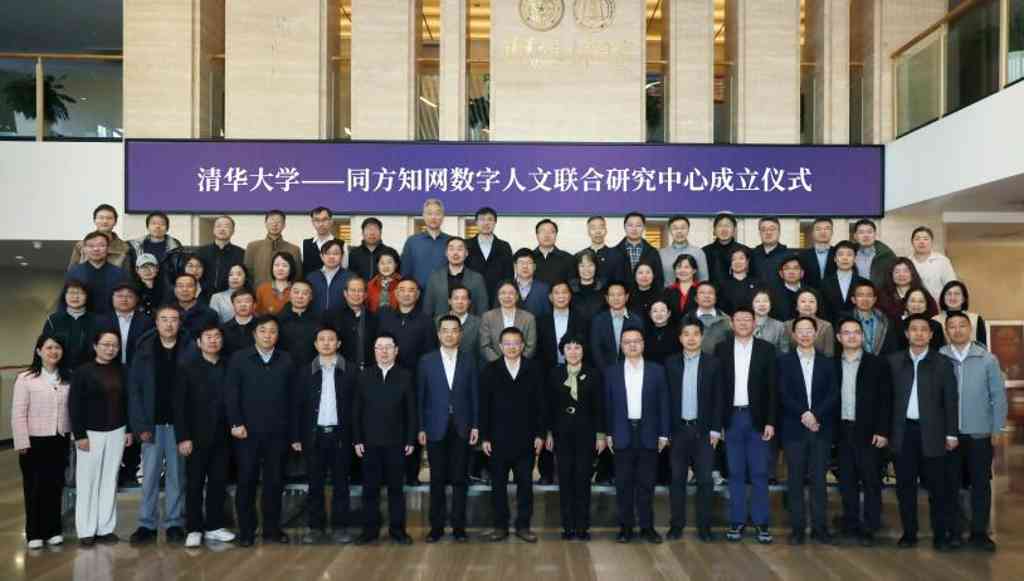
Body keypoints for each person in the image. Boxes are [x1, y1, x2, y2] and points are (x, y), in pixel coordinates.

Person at [888, 314, 959, 551]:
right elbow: (885, 401)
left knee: (938, 488)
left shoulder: (942, 363)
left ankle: (940, 534)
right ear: (906, 334)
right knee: (905, 487)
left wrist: (951, 433)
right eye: (914, 329)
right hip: (903, 432)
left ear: (930, 334)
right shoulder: (894, 362)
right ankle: (909, 533)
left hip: (934, 433)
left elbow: (951, 401)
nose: (918, 333)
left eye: (923, 329)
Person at [225, 315, 295, 547]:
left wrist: (292, 432)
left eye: (272, 331)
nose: (268, 335)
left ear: (278, 335)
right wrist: (235, 423)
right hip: (247, 433)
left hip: (278, 432)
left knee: (274, 482)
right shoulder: (239, 359)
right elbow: (231, 394)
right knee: (246, 481)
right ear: (254, 334)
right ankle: (246, 530)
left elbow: (293, 398)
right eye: (263, 331)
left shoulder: (286, 360)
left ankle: (272, 529)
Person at [939, 313, 1008, 552]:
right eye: (952, 326)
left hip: (980, 433)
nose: (957, 330)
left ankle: (980, 533)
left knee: (980, 484)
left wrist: (997, 428)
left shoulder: (987, 358)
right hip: (949, 434)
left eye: (962, 326)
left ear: (970, 329)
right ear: (946, 331)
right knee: (951, 485)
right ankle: (954, 532)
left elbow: (998, 396)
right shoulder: (940, 357)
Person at [715, 307, 778, 545]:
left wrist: (771, 421)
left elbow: (772, 388)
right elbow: (718, 389)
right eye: (738, 319)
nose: (743, 323)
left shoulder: (766, 349)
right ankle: (737, 520)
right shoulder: (721, 349)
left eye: (747, 319)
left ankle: (762, 522)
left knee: (760, 472)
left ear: (754, 323)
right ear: (732, 323)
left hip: (757, 418)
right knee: (735, 472)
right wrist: (718, 423)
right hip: (731, 418)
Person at [127, 305, 189, 545]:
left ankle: (174, 523)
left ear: (180, 323)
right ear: (156, 323)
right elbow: (134, 391)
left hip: (179, 425)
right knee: (150, 477)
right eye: (164, 319)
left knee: (176, 477)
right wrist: (140, 425)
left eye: (174, 319)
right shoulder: (144, 350)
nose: (169, 324)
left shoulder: (190, 349)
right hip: (151, 424)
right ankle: (147, 524)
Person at [291, 326, 358, 545]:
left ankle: (340, 528)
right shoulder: (305, 372)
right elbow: (297, 406)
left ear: (339, 344)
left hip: (341, 435)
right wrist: (296, 436)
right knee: (315, 484)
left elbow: (357, 407)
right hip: (314, 436)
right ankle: (315, 528)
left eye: (331, 339)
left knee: (341, 484)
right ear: (315, 344)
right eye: (322, 339)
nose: (326, 343)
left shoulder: (351, 370)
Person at [479, 327, 546, 543]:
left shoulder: (534, 369)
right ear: (500, 346)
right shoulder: (490, 370)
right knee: (498, 485)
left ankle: (523, 526)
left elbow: (541, 405)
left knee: (525, 485)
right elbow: (484, 407)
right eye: (507, 343)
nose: (511, 347)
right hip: (497, 439)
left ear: (522, 345)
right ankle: (500, 526)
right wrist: (485, 437)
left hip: (526, 438)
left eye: (516, 343)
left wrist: (540, 434)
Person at [417, 316, 480, 543]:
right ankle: (436, 528)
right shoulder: (426, 361)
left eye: (454, 330)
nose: (449, 334)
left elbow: (474, 395)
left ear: (460, 334)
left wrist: (475, 425)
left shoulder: (469, 360)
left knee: (460, 479)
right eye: (445, 330)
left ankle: (459, 527)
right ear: (438, 334)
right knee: (437, 480)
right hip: (435, 427)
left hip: (462, 426)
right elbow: (421, 397)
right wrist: (421, 427)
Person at [173, 324, 237, 548]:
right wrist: (183, 437)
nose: (213, 340)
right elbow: (179, 406)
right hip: (195, 436)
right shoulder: (186, 367)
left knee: (218, 482)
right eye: (208, 337)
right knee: (194, 483)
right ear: (199, 342)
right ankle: (193, 528)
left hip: (224, 435)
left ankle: (214, 526)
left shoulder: (229, 365)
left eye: (217, 336)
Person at [604, 328, 669, 544]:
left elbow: (664, 403)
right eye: (627, 342)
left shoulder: (657, 371)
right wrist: (608, 432)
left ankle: (647, 527)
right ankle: (625, 527)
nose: (632, 345)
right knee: (623, 484)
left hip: (648, 432)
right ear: (621, 346)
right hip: (622, 432)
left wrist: (664, 434)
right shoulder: (612, 372)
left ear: (643, 344)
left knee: (646, 484)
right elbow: (607, 406)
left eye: (636, 341)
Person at [778, 317, 839, 545]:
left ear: (816, 333)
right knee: (794, 481)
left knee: (819, 481)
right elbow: (782, 393)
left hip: (820, 429)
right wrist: (804, 414)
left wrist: (816, 415)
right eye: (800, 331)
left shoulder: (828, 362)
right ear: (794, 335)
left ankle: (820, 528)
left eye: (809, 330)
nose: (805, 334)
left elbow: (833, 393)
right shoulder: (783, 362)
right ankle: (797, 529)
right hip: (794, 429)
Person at [353, 333, 417, 545]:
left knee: (396, 490)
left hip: (397, 443)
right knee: (369, 489)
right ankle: (369, 531)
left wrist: (410, 440)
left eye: (388, 347)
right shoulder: (364, 375)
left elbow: (411, 411)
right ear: (374, 351)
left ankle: (398, 531)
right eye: (379, 347)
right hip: (369, 443)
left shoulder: (406, 375)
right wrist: (357, 439)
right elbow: (356, 411)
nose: (383, 351)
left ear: (396, 351)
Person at [70, 331, 133, 546]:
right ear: (95, 346)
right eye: (105, 344)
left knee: (109, 480)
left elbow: (127, 402)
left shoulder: (123, 370)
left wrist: (129, 430)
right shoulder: (83, 372)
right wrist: (79, 435)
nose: (110, 349)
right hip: (90, 434)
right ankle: (86, 530)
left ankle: (105, 528)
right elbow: (74, 406)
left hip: (117, 431)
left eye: (114, 345)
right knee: (88, 481)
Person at [833, 317, 892, 547]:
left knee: (871, 480)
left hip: (869, 432)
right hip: (842, 430)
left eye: (856, 332)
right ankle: (850, 523)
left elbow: (886, 400)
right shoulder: (831, 364)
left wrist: (883, 431)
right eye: (847, 333)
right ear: (839, 337)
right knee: (846, 480)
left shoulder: (877, 364)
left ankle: (870, 526)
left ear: (862, 336)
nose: (852, 336)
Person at [664, 317, 722, 542]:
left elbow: (718, 399)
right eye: (686, 334)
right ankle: (676, 525)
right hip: (678, 430)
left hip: (704, 431)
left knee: (705, 480)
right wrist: (666, 431)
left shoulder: (713, 363)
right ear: (680, 338)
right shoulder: (670, 363)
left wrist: (716, 429)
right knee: (677, 479)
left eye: (695, 334)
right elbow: (665, 398)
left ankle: (704, 527)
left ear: (702, 337)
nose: (691, 338)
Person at [12, 334, 72, 549]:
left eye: (58, 348)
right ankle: (34, 533)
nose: (53, 352)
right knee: (34, 487)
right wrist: (21, 441)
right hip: (34, 441)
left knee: (55, 486)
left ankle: (53, 530)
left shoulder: (67, 377)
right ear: (39, 351)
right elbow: (18, 412)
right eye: (49, 348)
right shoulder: (26, 378)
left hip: (59, 439)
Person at [545, 334, 605, 541]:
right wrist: (548, 432)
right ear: (562, 351)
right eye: (568, 348)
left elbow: (599, 407)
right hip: (561, 434)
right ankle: (568, 526)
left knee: (582, 479)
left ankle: (582, 527)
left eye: (577, 347)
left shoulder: (593, 374)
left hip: (586, 434)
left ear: (583, 350)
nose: (573, 352)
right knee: (565, 479)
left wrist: (600, 435)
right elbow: (549, 406)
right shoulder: (554, 373)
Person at [377, 278, 436, 372]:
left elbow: (430, 353)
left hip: (415, 374)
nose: (406, 294)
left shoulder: (426, 321)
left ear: (417, 294)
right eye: (402, 290)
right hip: (387, 373)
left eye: (411, 290)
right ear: (396, 293)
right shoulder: (385, 317)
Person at [424, 236, 489, 318]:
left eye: (460, 249)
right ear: (446, 253)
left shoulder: (477, 278)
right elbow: (428, 308)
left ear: (466, 253)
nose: (455, 253)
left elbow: (483, 309)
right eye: (451, 249)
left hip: (470, 325)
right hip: (440, 325)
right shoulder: (434, 277)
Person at [66, 231, 127, 316]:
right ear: (84, 249)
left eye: (101, 245)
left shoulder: (119, 273)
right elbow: (65, 301)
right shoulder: (74, 272)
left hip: (110, 320)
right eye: (91, 246)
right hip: (81, 319)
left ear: (108, 248)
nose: (96, 249)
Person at [43, 280, 100, 369]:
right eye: (71, 293)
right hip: (59, 370)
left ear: (87, 296)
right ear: (64, 296)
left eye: (80, 293)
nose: (75, 297)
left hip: (90, 370)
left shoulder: (97, 321)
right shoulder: (53, 320)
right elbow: (46, 348)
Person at [590, 282, 645, 371]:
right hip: (604, 371)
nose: (616, 298)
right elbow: (596, 349)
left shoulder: (637, 320)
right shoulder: (598, 321)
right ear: (607, 298)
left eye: (619, 295)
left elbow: (640, 348)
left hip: (631, 370)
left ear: (626, 297)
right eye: (612, 295)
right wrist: (606, 371)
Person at [98, 282, 154, 367]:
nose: (124, 299)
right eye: (120, 296)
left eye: (129, 296)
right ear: (112, 298)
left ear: (136, 299)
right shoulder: (101, 321)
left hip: (137, 367)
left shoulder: (147, 322)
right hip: (107, 367)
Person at [466, 207, 514, 305]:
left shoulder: (504, 246)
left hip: (498, 298)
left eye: (490, 219)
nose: (486, 223)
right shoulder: (466, 245)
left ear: (495, 223)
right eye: (482, 219)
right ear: (476, 222)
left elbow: (509, 275)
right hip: (471, 297)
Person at [328, 276, 378, 371]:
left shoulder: (373, 318)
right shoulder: (332, 316)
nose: (356, 294)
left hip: (367, 370)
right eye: (352, 290)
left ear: (365, 294)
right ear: (345, 293)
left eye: (360, 291)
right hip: (339, 370)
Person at [536, 281, 589, 370]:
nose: (561, 296)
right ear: (550, 297)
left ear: (570, 295)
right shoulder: (541, 321)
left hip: (575, 369)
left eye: (564, 292)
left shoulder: (581, 320)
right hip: (548, 371)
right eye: (556, 293)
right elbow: (538, 350)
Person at [400, 198, 451, 290]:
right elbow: (405, 272)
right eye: (429, 213)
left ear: (443, 216)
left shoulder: (451, 241)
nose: (433, 217)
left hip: (446, 294)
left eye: (437, 213)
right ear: (423, 216)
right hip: (418, 295)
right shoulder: (412, 241)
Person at [481, 280, 538, 362]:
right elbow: (485, 345)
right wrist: (500, 364)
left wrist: (519, 363)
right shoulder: (488, 317)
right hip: (495, 365)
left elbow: (530, 346)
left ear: (517, 296)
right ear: (498, 296)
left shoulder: (529, 318)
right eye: (503, 293)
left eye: (511, 293)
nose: (507, 296)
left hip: (522, 365)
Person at [244, 210, 302, 288]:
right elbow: (247, 275)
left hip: (286, 293)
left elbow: (297, 277)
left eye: (278, 222)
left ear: (284, 225)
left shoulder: (294, 249)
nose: (274, 224)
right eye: (271, 221)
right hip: (258, 293)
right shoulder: (253, 247)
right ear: (265, 224)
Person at [611, 212, 665, 290]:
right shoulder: (613, 252)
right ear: (624, 227)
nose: (634, 229)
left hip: (647, 295)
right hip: (621, 296)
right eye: (630, 225)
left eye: (638, 225)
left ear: (644, 227)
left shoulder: (653, 252)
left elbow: (659, 279)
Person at [848, 280, 901, 357]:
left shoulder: (886, 321)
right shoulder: (845, 320)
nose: (865, 299)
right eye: (860, 295)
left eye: (869, 295)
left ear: (874, 299)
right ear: (853, 299)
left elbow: (893, 351)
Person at [69, 204, 130, 268]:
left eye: (109, 218)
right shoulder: (81, 245)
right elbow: (72, 270)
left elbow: (126, 272)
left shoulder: (124, 247)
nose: (105, 221)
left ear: (115, 222)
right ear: (94, 220)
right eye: (101, 218)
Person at [277, 280, 321, 369]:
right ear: (290, 294)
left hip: (310, 370)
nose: (300, 296)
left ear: (311, 297)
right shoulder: (278, 320)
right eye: (296, 292)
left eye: (305, 293)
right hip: (283, 369)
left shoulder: (319, 321)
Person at [196, 215, 245, 294]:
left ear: (233, 231)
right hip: (204, 296)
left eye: (226, 226)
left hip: (229, 297)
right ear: (213, 230)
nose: (222, 229)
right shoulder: (200, 252)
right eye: (218, 226)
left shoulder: (241, 253)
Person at [821, 241, 867, 324]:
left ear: (855, 259)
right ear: (835, 259)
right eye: (841, 254)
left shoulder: (863, 283)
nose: (845, 258)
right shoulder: (824, 283)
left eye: (849, 255)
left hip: (858, 327)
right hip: (831, 327)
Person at [910, 226, 957, 301]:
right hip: (913, 305)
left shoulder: (942, 261)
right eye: (917, 239)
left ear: (932, 242)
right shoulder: (908, 262)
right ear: (912, 242)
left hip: (938, 305)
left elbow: (951, 286)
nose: (921, 242)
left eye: (926, 239)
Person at [783, 288, 835, 356]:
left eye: (811, 301)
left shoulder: (826, 326)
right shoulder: (787, 326)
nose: (807, 305)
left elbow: (829, 354)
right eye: (803, 301)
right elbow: (784, 352)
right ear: (796, 306)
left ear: (817, 305)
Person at [307, 240, 352, 316]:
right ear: (321, 256)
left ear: (342, 256)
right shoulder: (311, 277)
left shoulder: (351, 277)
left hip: (343, 320)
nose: (331, 256)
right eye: (327, 253)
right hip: (315, 320)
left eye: (336, 253)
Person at [935, 280, 987, 346]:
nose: (952, 297)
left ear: (964, 298)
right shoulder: (935, 320)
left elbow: (982, 347)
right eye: (949, 294)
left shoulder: (976, 319)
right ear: (943, 298)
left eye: (957, 294)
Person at [660, 215, 708, 285]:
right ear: (670, 231)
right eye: (675, 228)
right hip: (667, 291)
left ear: (688, 230)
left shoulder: (698, 253)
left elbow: (703, 280)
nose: (679, 231)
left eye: (683, 228)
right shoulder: (661, 254)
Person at [440, 285, 482, 364]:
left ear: (469, 302)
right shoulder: (438, 321)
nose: (460, 302)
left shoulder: (479, 323)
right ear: (449, 301)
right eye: (456, 298)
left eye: (464, 298)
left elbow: (481, 352)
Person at [170, 273, 219, 341]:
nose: (185, 289)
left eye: (189, 286)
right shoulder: (167, 311)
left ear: (196, 289)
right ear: (175, 290)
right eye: (180, 286)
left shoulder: (210, 314)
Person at [702, 212, 748, 285]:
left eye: (727, 226)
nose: (724, 229)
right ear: (714, 230)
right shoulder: (704, 252)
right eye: (720, 226)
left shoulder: (745, 251)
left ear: (734, 230)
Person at [348, 217, 398, 283]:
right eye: (368, 229)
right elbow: (351, 276)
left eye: (375, 229)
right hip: (360, 289)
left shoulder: (391, 252)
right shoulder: (354, 253)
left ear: (381, 232)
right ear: (362, 233)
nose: (372, 233)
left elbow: (397, 276)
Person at [897, 287, 946, 351]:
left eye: (921, 301)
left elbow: (939, 351)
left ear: (926, 305)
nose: (916, 304)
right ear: (906, 304)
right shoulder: (898, 326)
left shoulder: (936, 326)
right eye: (912, 301)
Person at [852, 219, 897, 287]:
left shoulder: (887, 255)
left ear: (875, 234)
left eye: (869, 232)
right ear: (855, 236)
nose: (866, 235)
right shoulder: (850, 253)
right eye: (861, 232)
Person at [532, 219, 576, 287]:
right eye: (543, 231)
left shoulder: (568, 258)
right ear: (537, 235)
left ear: (556, 235)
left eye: (551, 232)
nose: (547, 235)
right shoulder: (528, 258)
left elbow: (573, 286)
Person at [691, 282, 733, 355]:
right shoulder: (687, 318)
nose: (706, 296)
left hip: (719, 360)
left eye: (710, 293)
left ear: (716, 298)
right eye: (702, 293)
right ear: (696, 298)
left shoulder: (726, 320)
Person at [569, 249, 608, 322]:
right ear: (577, 268)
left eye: (590, 265)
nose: (586, 269)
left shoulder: (605, 289)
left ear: (596, 267)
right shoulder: (569, 290)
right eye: (582, 266)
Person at [513, 248, 552, 318]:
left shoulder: (545, 289)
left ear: (534, 267)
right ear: (515, 266)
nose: (525, 266)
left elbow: (548, 316)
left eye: (529, 263)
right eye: (521, 263)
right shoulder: (506, 287)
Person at [798, 218, 837, 289]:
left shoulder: (837, 253)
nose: (823, 232)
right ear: (812, 233)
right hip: (810, 294)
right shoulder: (803, 255)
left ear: (832, 232)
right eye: (818, 229)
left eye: (827, 229)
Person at [255, 252, 297, 316]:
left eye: (284, 265)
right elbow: (257, 313)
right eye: (276, 265)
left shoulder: (296, 289)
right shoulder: (262, 289)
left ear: (291, 268)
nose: (280, 269)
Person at [750, 217, 790, 285]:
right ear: (759, 233)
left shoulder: (789, 256)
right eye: (763, 229)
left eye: (772, 229)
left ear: (779, 232)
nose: (768, 232)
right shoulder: (752, 255)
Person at [577, 215, 617, 282]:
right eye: (593, 228)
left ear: (606, 230)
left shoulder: (616, 255)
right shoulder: (579, 256)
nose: (598, 231)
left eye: (601, 227)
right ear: (588, 232)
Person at [219, 288, 257, 359]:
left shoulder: (261, 326)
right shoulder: (223, 328)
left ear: (254, 305)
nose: (243, 305)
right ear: (233, 305)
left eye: (247, 301)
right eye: (239, 302)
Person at [719, 247, 758, 315]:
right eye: (734, 259)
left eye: (741, 258)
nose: (737, 262)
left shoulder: (758, 284)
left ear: (747, 261)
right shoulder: (722, 285)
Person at [302, 206, 339, 276]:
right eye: (317, 220)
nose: (321, 224)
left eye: (324, 220)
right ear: (312, 222)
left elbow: (344, 268)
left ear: (331, 221)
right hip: (309, 282)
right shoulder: (304, 244)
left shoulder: (341, 244)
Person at [752, 288, 791, 354]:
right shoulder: (744, 324)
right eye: (757, 301)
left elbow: (784, 352)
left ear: (771, 304)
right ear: (752, 305)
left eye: (765, 301)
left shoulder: (780, 326)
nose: (762, 304)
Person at [664, 254, 700, 322]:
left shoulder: (701, 290)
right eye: (679, 267)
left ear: (694, 270)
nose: (682, 270)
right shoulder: (668, 291)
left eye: (686, 267)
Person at [366, 248, 402, 313]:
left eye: (389, 262)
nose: (386, 266)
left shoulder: (403, 284)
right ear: (377, 265)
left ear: (396, 264)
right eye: (382, 263)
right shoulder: (370, 285)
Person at [771, 254, 805, 321]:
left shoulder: (811, 293)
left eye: (796, 268)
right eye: (787, 268)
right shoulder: (773, 295)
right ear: (781, 274)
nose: (791, 272)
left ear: (802, 273)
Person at [645, 300, 678, 366]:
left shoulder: (677, 333)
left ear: (669, 313)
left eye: (662, 311)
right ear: (650, 314)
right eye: (655, 311)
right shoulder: (644, 333)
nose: (659, 314)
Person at [134, 253, 162, 317]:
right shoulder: (132, 291)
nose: (147, 270)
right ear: (137, 270)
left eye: (151, 266)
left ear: (157, 268)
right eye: (143, 267)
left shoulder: (166, 290)